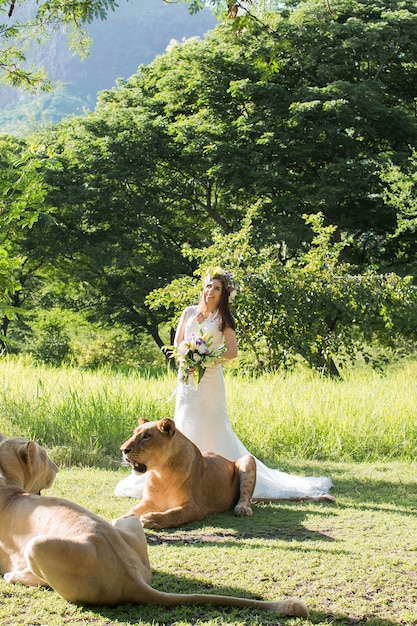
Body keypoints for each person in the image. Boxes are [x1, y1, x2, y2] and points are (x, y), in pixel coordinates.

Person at [115, 268, 333, 499]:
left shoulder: (223, 319)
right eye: (209, 286)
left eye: (217, 288)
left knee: (210, 423)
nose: (211, 291)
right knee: (185, 422)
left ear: (223, 294)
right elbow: (178, 342)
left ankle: (217, 477)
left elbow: (232, 352)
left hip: (209, 380)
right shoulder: (188, 312)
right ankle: (176, 473)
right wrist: (187, 357)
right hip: (187, 378)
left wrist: (205, 359)